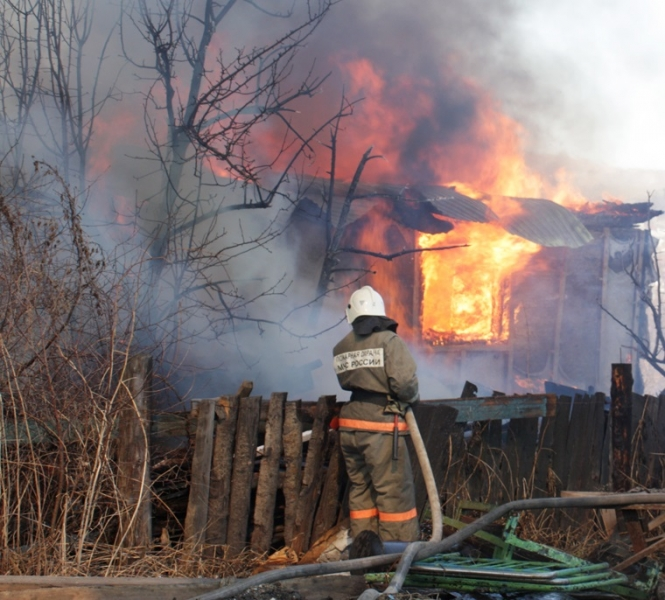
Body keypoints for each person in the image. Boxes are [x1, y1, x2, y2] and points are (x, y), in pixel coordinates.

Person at [332, 285, 420, 544]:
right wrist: (411, 399)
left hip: (350, 425)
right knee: (394, 492)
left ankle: (364, 549)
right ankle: (396, 551)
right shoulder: (389, 341)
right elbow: (405, 384)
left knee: (361, 490)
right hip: (380, 426)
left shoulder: (341, 347)